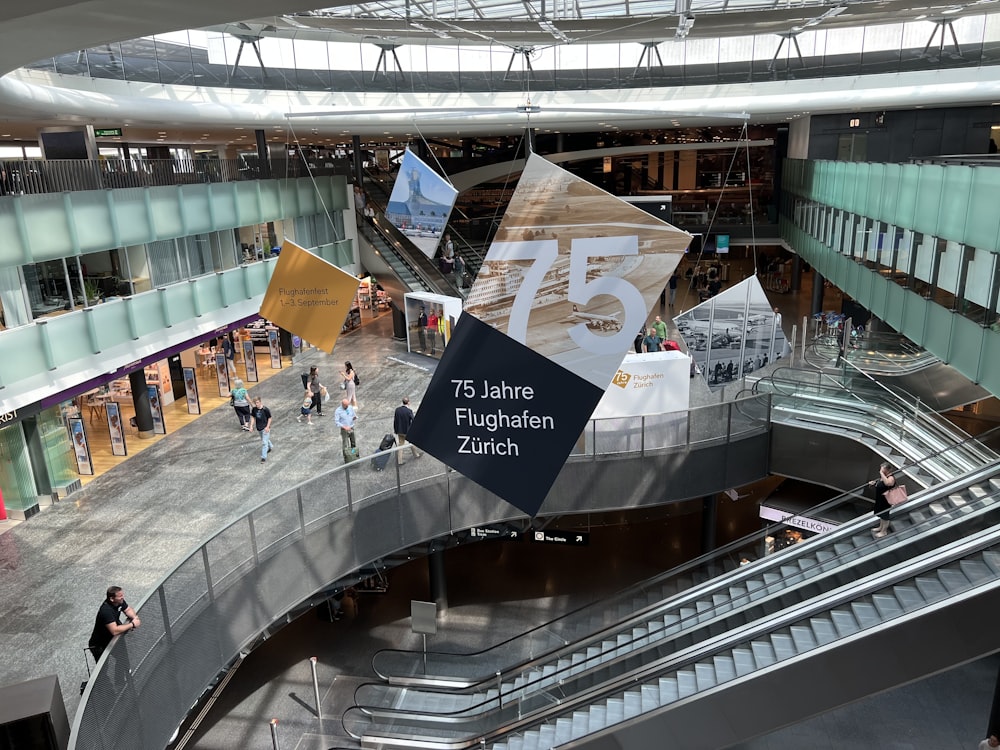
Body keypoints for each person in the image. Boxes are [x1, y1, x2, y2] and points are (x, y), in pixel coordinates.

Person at [88, 586, 140, 661]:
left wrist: (135, 618)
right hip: (99, 645)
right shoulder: (106, 611)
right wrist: (132, 624)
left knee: (123, 659)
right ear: (112, 599)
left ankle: (124, 672)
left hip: (112, 639)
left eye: (122, 595)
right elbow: (114, 630)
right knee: (104, 668)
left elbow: (127, 609)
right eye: (120, 596)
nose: (123, 597)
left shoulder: (119, 601)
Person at [868, 461, 897, 538]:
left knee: (885, 515)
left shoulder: (891, 478)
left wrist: (881, 473)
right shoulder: (883, 477)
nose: (880, 470)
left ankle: (884, 531)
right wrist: (874, 483)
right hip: (880, 498)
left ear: (887, 470)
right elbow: (881, 484)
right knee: (881, 514)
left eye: (882, 469)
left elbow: (887, 483)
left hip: (886, 500)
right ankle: (880, 527)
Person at [393, 396, 421, 464]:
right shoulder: (409, 411)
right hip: (406, 431)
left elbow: (395, 421)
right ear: (408, 402)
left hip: (399, 431)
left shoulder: (397, 410)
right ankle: (416, 455)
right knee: (411, 442)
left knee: (401, 445)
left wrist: (396, 430)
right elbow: (413, 420)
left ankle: (400, 461)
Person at [334, 397, 358, 462]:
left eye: (348, 405)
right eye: (346, 405)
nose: (347, 406)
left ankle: (353, 455)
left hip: (351, 427)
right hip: (344, 429)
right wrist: (344, 427)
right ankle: (346, 458)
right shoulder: (338, 411)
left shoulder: (350, 407)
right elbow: (337, 422)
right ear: (343, 404)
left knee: (353, 441)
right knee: (345, 443)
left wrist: (354, 417)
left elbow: (353, 414)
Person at [251, 396, 273, 463]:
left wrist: (267, 427)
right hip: (259, 427)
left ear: (260, 402)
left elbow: (270, 418)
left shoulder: (265, 409)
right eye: (255, 403)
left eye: (257, 402)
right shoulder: (254, 409)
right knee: (264, 439)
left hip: (265, 428)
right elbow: (253, 417)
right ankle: (270, 446)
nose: (256, 404)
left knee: (264, 443)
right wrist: (251, 425)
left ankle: (263, 457)